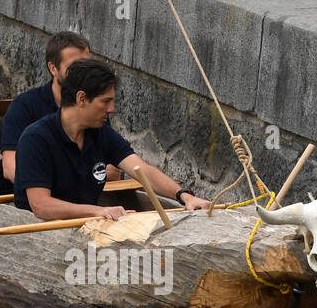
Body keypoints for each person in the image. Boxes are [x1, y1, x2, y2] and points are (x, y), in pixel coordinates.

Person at [13, 59, 212, 220]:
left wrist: (185, 196)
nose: (112, 109)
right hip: (37, 227)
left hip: (85, 223)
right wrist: (97, 211)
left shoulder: (100, 133)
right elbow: (41, 206)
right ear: (81, 99)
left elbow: (143, 171)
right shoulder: (36, 138)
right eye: (106, 101)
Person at [0, 30, 89, 184]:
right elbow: (10, 168)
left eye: (88, 67)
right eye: (74, 68)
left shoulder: (93, 107)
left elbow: (111, 169)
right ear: (53, 68)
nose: (84, 74)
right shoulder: (24, 106)